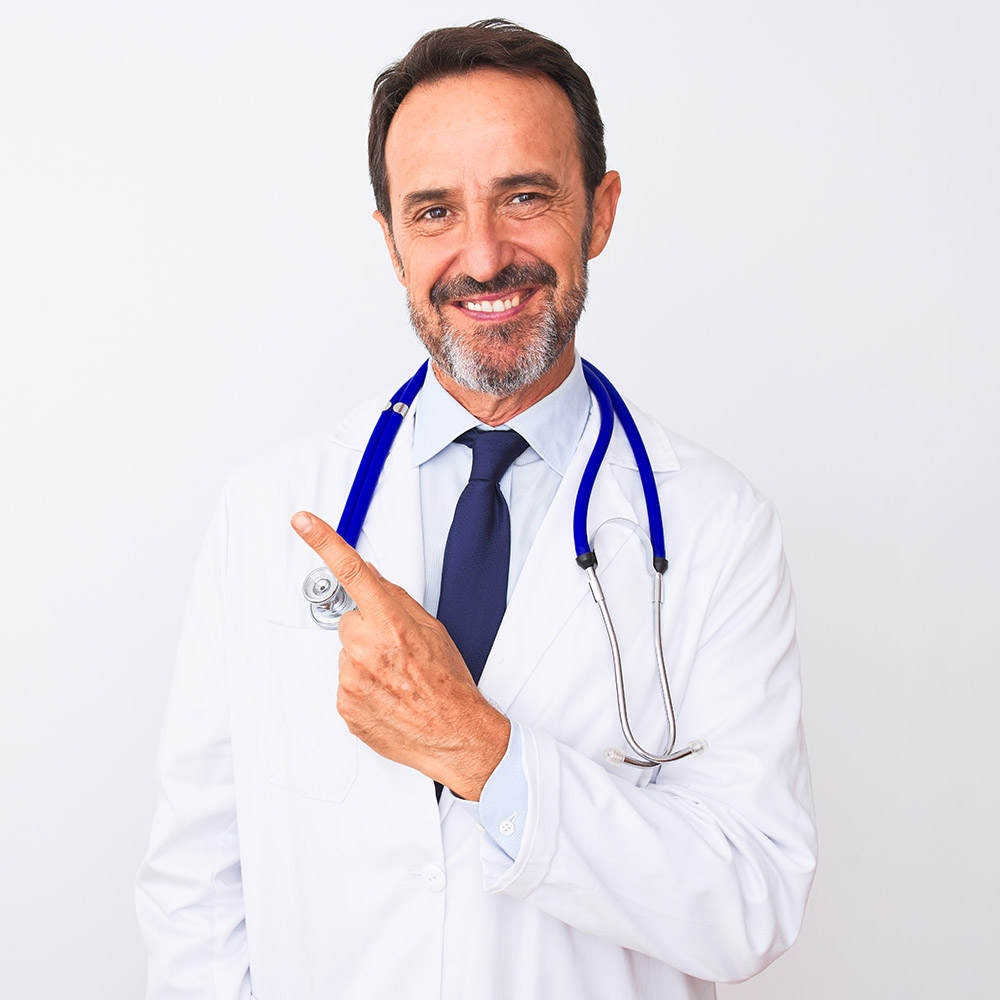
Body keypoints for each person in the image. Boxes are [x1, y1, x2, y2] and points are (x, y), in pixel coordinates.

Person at [136, 19, 816, 1000]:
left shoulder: (714, 528)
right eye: (433, 212)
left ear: (600, 211)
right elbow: (195, 889)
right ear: (390, 240)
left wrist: (482, 751)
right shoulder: (269, 512)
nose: (483, 255)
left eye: (525, 197)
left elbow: (749, 899)